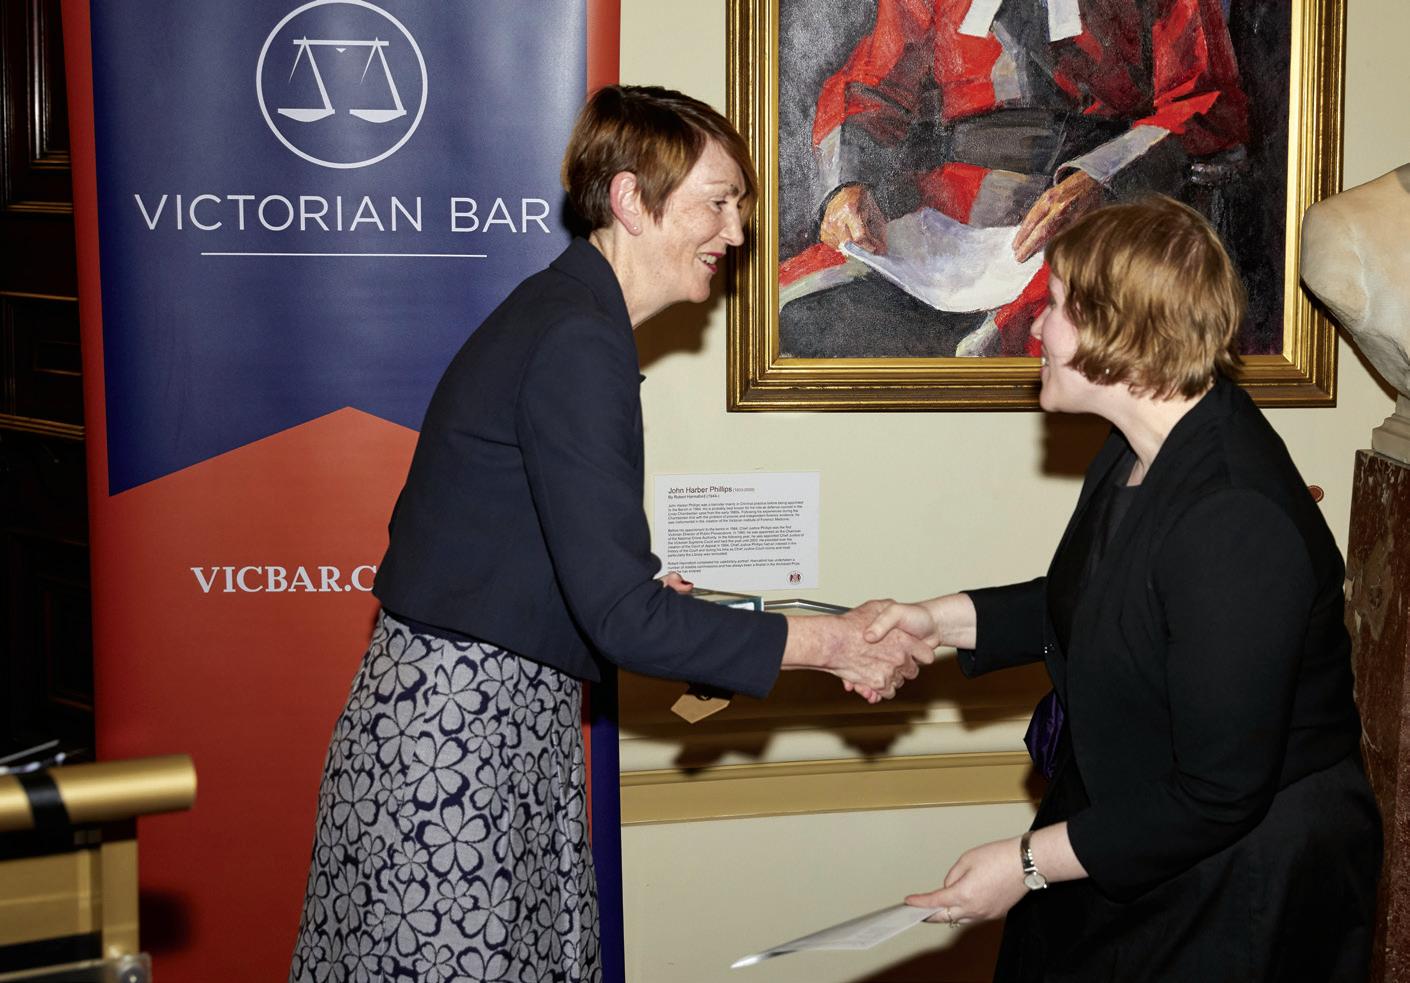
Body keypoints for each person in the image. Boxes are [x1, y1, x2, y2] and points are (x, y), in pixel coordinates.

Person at [288, 85, 934, 983]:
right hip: (460, 745)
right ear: (632, 198)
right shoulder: (578, 340)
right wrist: (832, 643)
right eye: (719, 201)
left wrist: (631, 601)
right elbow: (621, 616)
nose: (737, 231)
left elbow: (514, 557)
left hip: (480, 730)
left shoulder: (565, 316)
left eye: (740, 206)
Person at [863, 196, 1381, 980]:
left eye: (1056, 306)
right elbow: (1097, 598)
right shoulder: (1142, 446)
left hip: (1239, 884)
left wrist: (1025, 862)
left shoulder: (1233, 518)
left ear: (1120, 332)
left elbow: (1217, 794)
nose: (1038, 328)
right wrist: (931, 621)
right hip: (1151, 831)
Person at [779, 0, 1248, 358]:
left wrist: (1099, 179)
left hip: (1103, 211)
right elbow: (867, 88)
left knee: (1003, 347)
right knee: (787, 311)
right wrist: (845, 186)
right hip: (947, 213)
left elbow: (1206, 104)